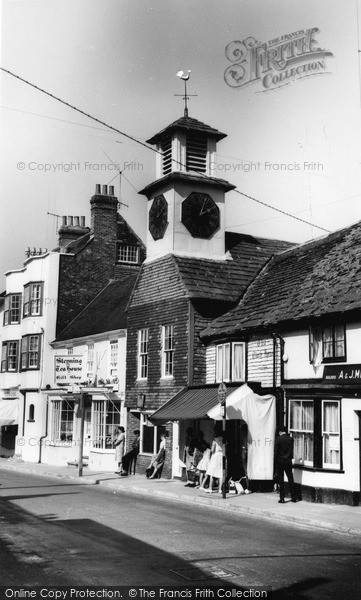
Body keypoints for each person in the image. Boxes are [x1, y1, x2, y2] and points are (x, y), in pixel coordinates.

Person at [274, 425, 297, 503]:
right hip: (288, 461)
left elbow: (276, 452)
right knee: (290, 478)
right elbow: (291, 451)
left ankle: (282, 498)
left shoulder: (278, 439)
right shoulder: (290, 439)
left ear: (280, 432)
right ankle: (294, 497)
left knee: (281, 480)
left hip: (280, 461)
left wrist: (275, 462)